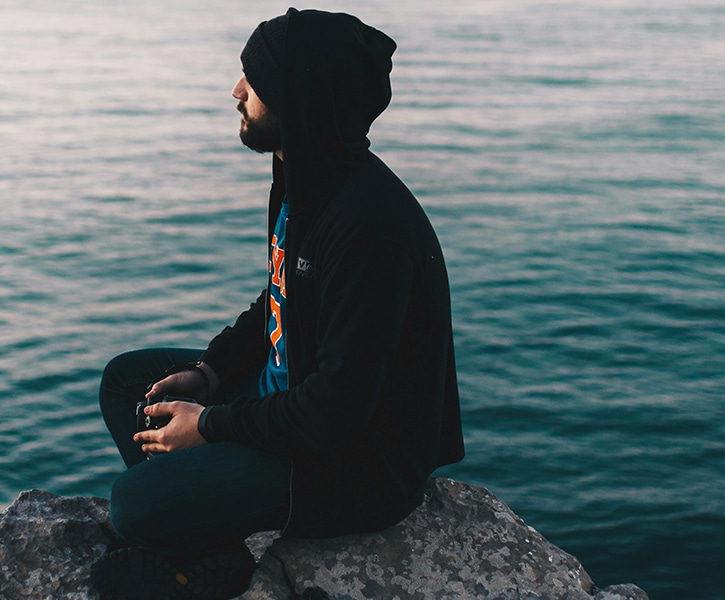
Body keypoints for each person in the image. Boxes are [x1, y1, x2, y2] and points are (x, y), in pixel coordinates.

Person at [91, 9, 464, 600]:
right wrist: (211, 374)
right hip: (290, 401)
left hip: (347, 463)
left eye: (254, 78)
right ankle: (206, 534)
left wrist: (210, 427)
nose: (236, 91)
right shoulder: (304, 176)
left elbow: (336, 410)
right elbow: (281, 297)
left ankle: (198, 544)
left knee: (131, 507)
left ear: (300, 97)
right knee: (128, 382)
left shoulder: (369, 227)